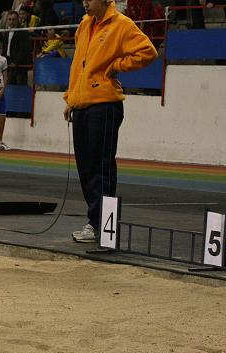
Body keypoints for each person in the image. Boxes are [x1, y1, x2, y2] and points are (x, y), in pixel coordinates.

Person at [63, 0, 156, 242]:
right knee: (85, 167)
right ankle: (95, 223)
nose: (84, 2)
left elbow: (148, 51)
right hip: (82, 104)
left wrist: (118, 65)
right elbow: (78, 66)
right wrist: (70, 99)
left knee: (100, 166)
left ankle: (102, 225)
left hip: (104, 104)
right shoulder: (84, 24)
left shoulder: (121, 24)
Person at [0, 10, 32, 85]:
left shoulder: (23, 32)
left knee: (20, 88)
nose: (11, 21)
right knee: (10, 88)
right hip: (9, 64)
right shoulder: (7, 32)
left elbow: (24, 49)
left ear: (18, 20)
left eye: (13, 19)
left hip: (20, 66)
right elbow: (4, 48)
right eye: (9, 19)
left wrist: (16, 62)